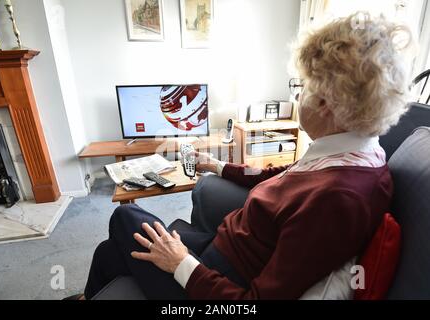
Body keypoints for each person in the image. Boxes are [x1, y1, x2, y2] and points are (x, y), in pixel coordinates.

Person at [79, 12, 413, 300]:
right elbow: (277, 176)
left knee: (126, 217)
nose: (298, 95)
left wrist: (181, 262)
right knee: (109, 252)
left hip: (220, 280)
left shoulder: (339, 199)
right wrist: (217, 165)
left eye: (304, 87)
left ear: (328, 105)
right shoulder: (350, 153)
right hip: (222, 247)